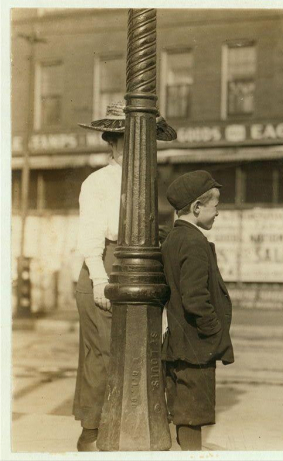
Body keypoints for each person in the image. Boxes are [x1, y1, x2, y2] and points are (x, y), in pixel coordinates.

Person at [73, 101, 176, 451]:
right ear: (115, 142)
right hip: (104, 264)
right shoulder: (98, 182)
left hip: (140, 267)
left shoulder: (147, 181)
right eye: (133, 140)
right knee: (103, 355)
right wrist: (100, 280)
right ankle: (93, 433)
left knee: (141, 354)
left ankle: (130, 430)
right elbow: (90, 237)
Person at [160, 170, 234, 451]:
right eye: (215, 206)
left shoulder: (174, 239)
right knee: (193, 416)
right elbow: (195, 299)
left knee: (183, 414)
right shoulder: (194, 242)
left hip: (179, 343)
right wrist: (214, 331)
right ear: (197, 207)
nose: (217, 213)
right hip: (196, 347)